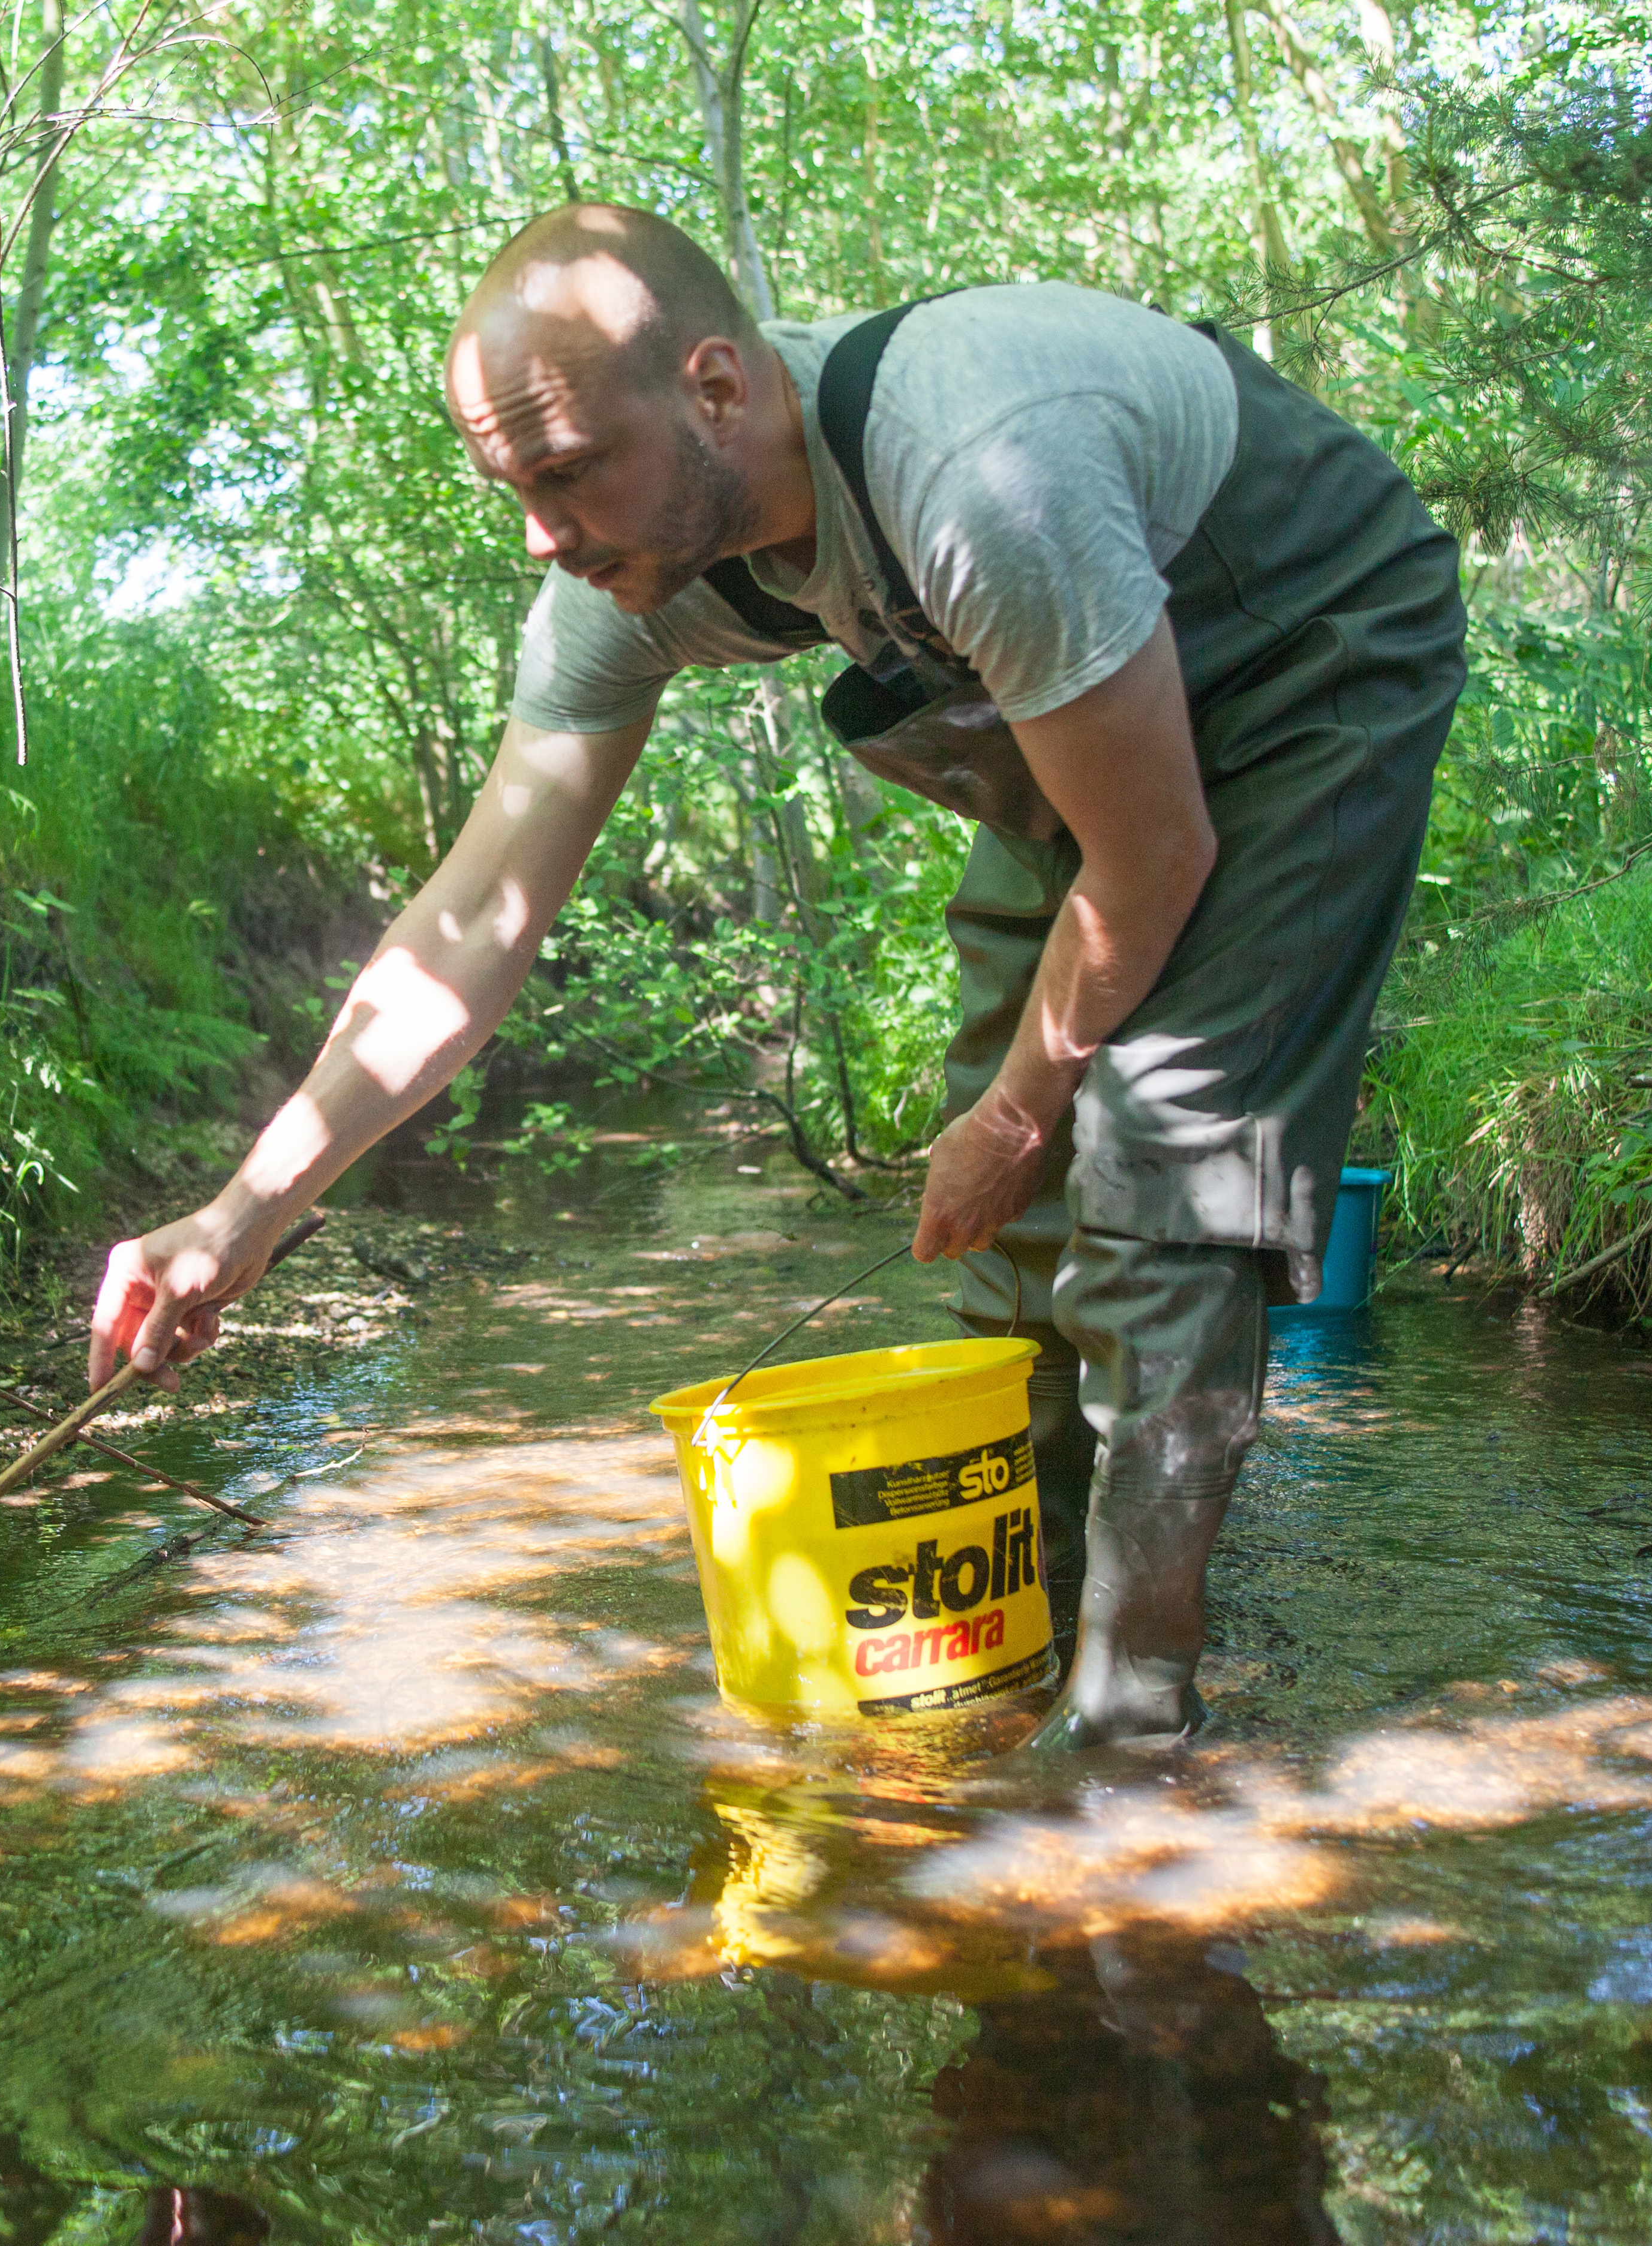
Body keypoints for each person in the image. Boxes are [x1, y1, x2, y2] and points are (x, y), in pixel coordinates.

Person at [88, 203, 1463, 1750]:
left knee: (1147, 1166)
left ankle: (1129, 1744)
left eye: (564, 471)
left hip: (1300, 655)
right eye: (513, 489)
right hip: (1077, 699)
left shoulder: (976, 475)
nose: (543, 531)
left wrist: (1022, 1115)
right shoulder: (629, 575)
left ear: (718, 389)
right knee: (1013, 1234)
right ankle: (1013, 1643)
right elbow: (474, 926)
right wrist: (242, 1216)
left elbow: (1150, 862)